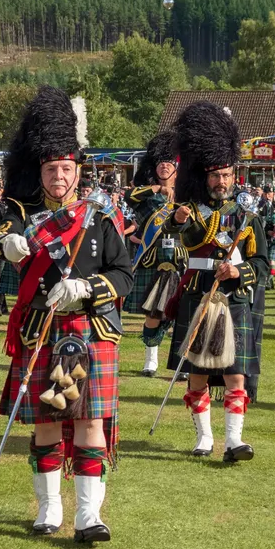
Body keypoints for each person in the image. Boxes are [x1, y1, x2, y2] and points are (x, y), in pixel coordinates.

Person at [0, 87, 132, 542]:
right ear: (41, 171)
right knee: (49, 421)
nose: (59, 177)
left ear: (77, 171)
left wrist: (87, 287)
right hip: (42, 329)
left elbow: (124, 274)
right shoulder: (23, 213)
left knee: (90, 422)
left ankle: (89, 517)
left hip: (90, 327)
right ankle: (48, 510)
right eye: (52, 169)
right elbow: (0, 239)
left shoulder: (99, 215)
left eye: (66, 169)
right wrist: (6, 245)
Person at [166, 101, 268, 462]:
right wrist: (177, 218)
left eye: (226, 175)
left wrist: (240, 271)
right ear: (203, 176)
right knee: (197, 374)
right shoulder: (190, 210)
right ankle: (204, 438)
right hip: (198, 294)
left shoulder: (247, 215)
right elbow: (177, 233)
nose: (221, 182)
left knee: (234, 375)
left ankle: (234, 442)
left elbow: (263, 263)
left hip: (234, 298)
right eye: (215, 176)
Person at [124, 130, 183, 376]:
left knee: (184, 314)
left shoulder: (188, 194)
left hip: (181, 258)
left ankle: (182, 365)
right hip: (152, 258)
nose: (164, 166)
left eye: (169, 162)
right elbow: (129, 197)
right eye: (160, 162)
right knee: (152, 312)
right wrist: (156, 189)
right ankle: (151, 361)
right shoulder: (146, 194)